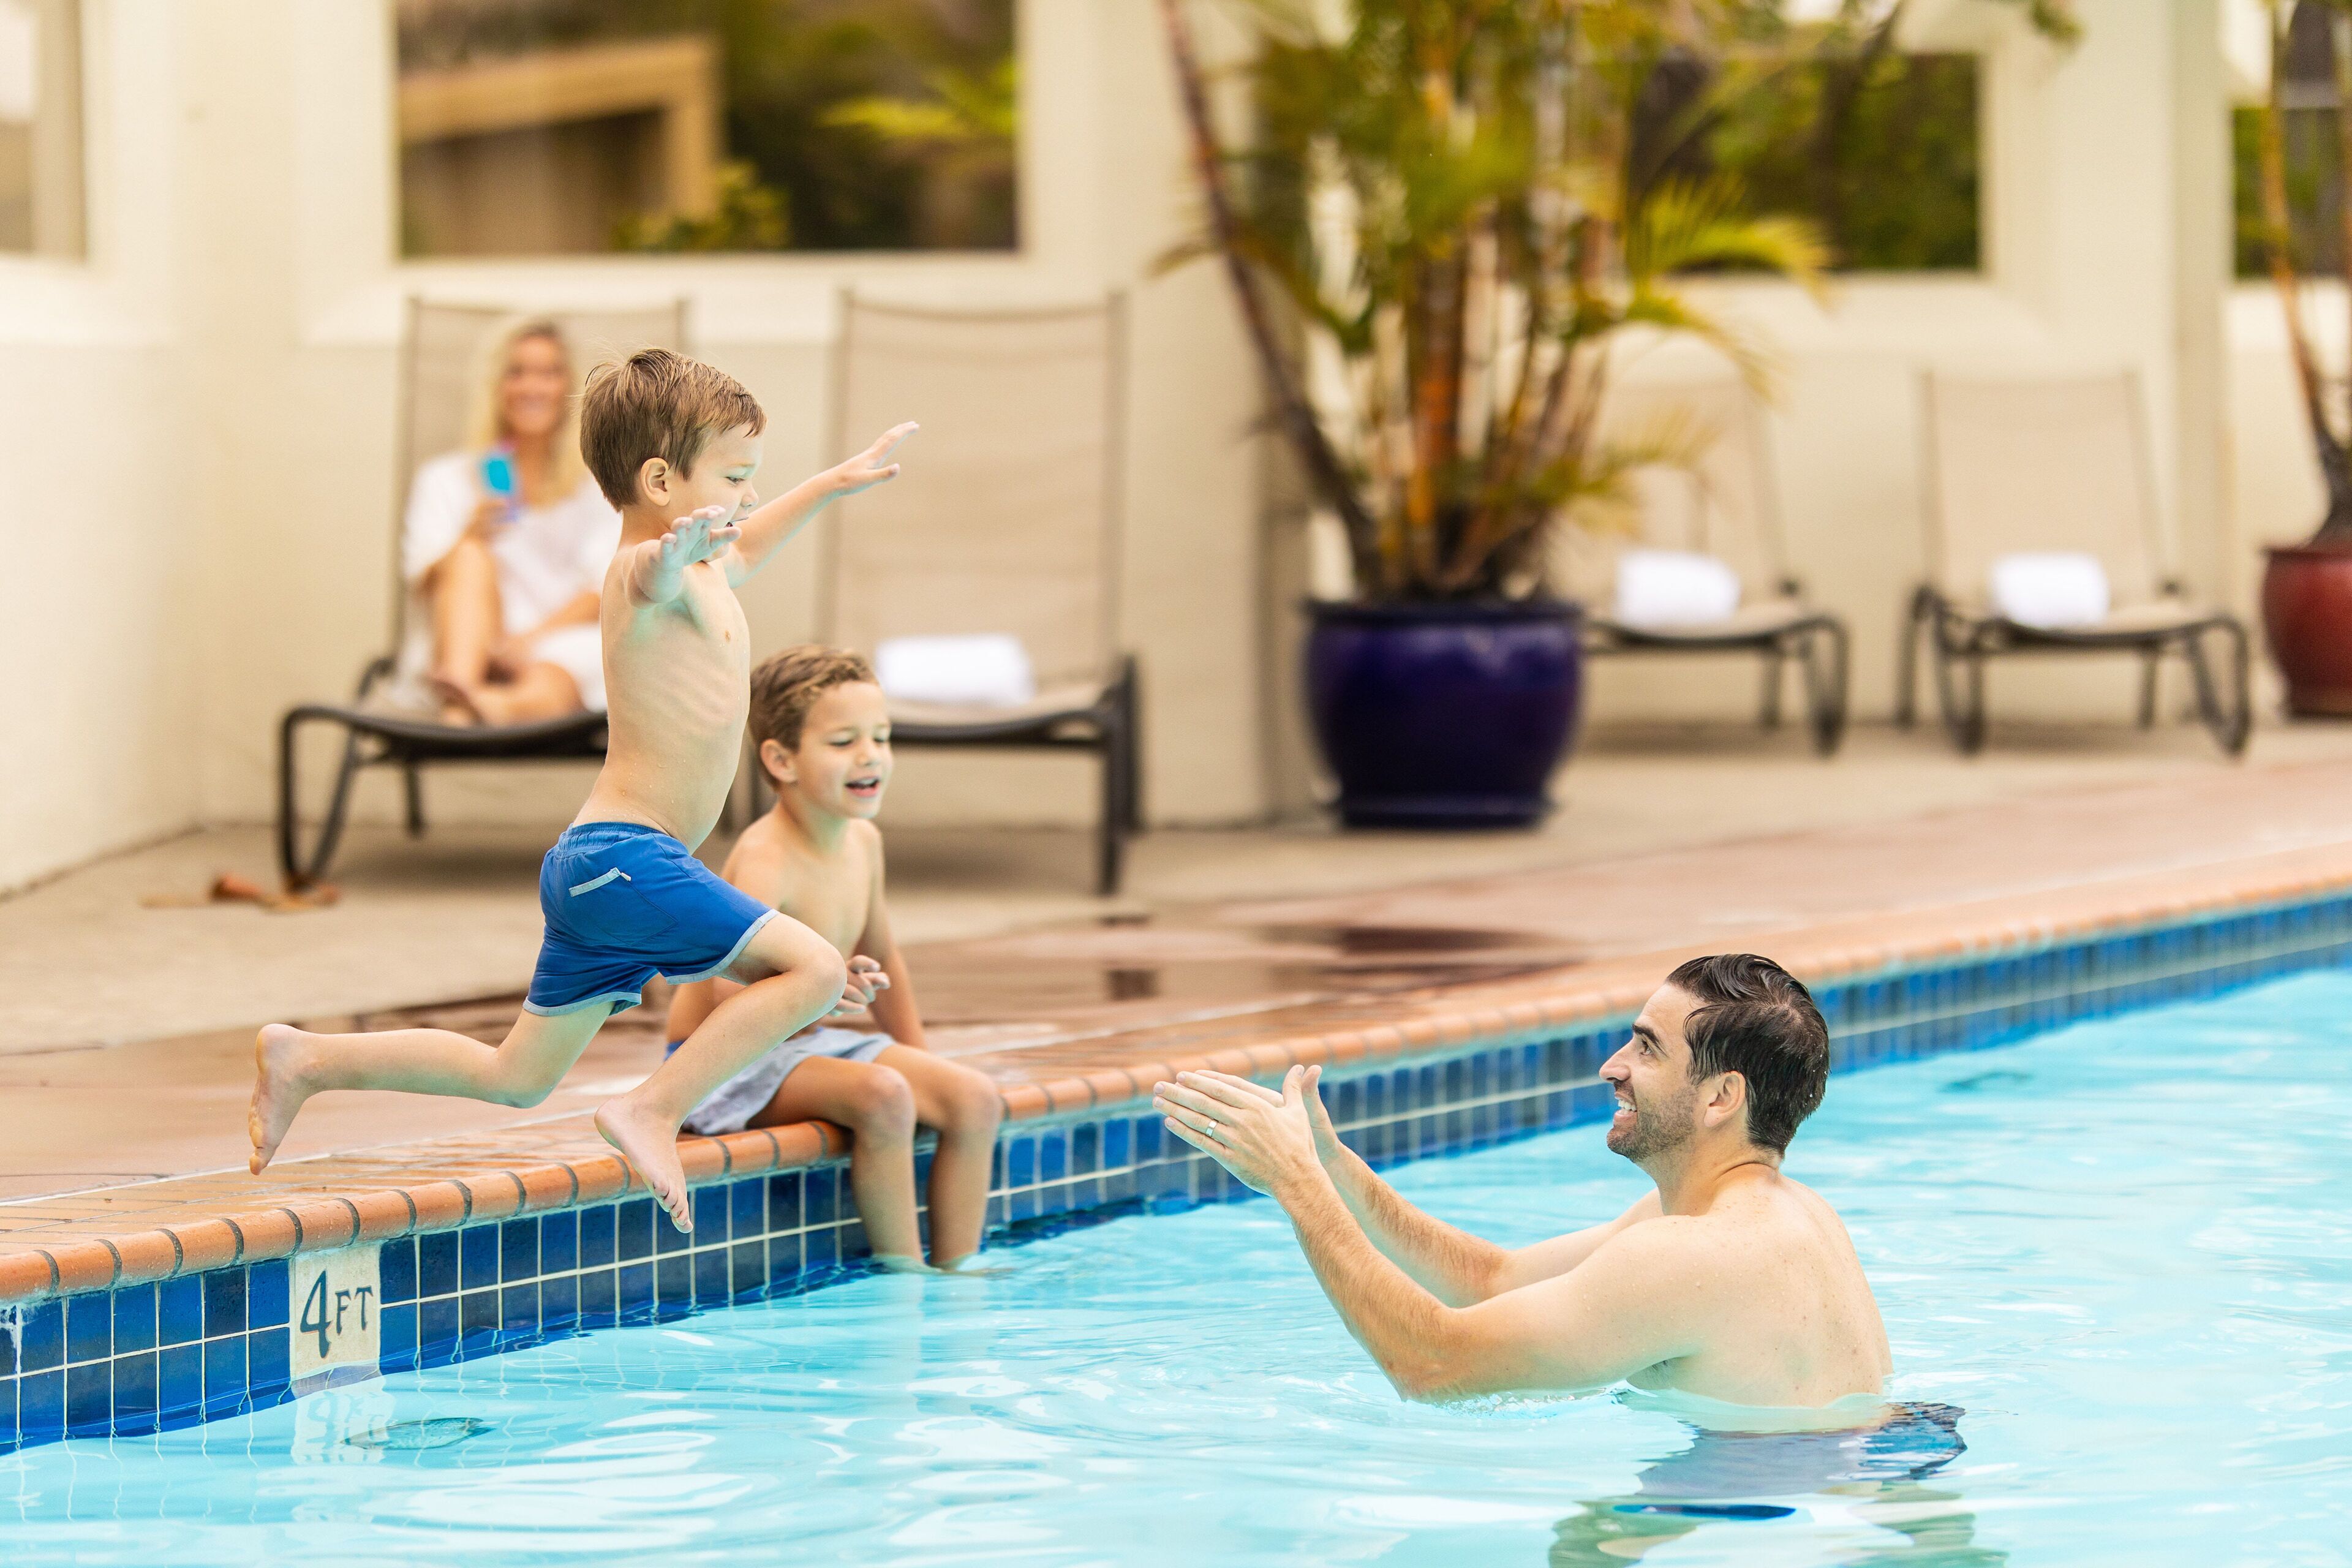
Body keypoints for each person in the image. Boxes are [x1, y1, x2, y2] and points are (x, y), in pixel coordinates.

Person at [247, 347, 920, 1232]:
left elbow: (744, 541)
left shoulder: (711, 568)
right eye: (738, 475)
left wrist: (831, 484)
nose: (753, 495)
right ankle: (651, 1108)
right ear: (660, 481)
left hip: (610, 870)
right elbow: (650, 575)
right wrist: (671, 558)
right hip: (623, 857)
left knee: (517, 1078)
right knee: (814, 965)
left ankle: (309, 1060)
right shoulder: (640, 574)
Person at [1153, 953, 1891, 1408]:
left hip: (1790, 1516)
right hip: (1824, 1482)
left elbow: (1434, 1364)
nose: (1612, 1067)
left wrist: (1295, 1187)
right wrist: (1331, 1164)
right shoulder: (1774, 1216)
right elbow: (1491, 1279)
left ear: (1720, 1098)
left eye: (1647, 1049)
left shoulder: (1691, 1255)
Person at [662, 646, 1004, 1272]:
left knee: (974, 1097)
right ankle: (903, 1271)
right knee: (883, 1095)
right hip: (722, 1060)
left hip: (806, 1043)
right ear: (781, 760)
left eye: (882, 736)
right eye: (845, 741)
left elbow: (885, 958)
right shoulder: (767, 855)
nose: (871, 754)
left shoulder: (863, 843)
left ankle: (960, 1268)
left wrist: (920, 1055)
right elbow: (726, 995)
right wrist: (818, 992)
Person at [401, 318, 620, 727]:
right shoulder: (447, 479)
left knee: (555, 674)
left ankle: (474, 711)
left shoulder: (601, 485)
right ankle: (463, 694)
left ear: (570, 387)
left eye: (549, 373)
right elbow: (421, 584)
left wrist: (528, 643)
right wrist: (468, 539)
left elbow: (606, 585)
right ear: (495, 386)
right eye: (516, 372)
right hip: (464, 650)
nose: (532, 388)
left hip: (557, 645)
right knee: (467, 555)